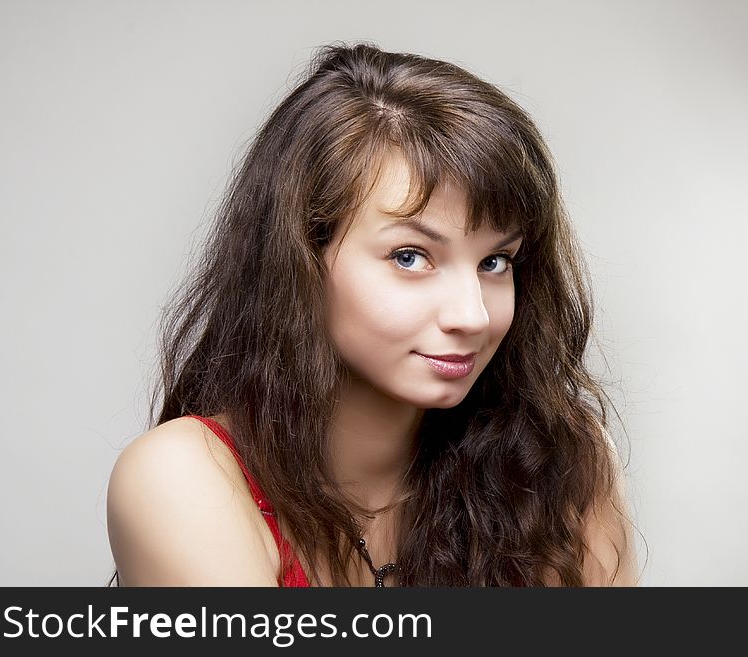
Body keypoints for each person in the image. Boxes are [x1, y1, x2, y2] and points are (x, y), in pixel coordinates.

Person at [106, 42, 640, 587]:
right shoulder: (185, 478)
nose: (473, 316)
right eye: (410, 257)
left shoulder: (561, 462)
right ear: (300, 260)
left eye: (495, 261)